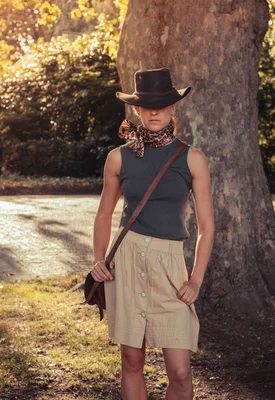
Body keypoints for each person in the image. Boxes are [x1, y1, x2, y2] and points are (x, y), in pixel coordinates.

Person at [90, 67, 214, 400]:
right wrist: (98, 259)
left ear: (174, 108)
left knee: (181, 372)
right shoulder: (118, 158)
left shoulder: (193, 159)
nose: (154, 111)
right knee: (132, 361)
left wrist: (196, 279)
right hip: (127, 262)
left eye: (161, 104)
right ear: (137, 110)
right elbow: (104, 214)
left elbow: (206, 227)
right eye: (147, 105)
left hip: (170, 266)